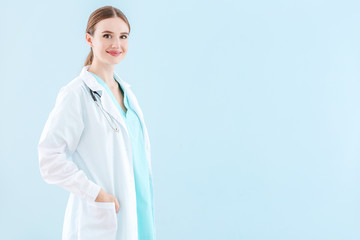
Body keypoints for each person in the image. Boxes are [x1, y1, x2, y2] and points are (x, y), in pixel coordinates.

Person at [38, 6, 156, 240]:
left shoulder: (127, 93)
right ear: (89, 39)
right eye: (107, 36)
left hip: (138, 210)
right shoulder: (76, 94)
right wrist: (96, 195)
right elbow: (49, 158)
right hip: (106, 216)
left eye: (123, 36)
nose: (116, 44)